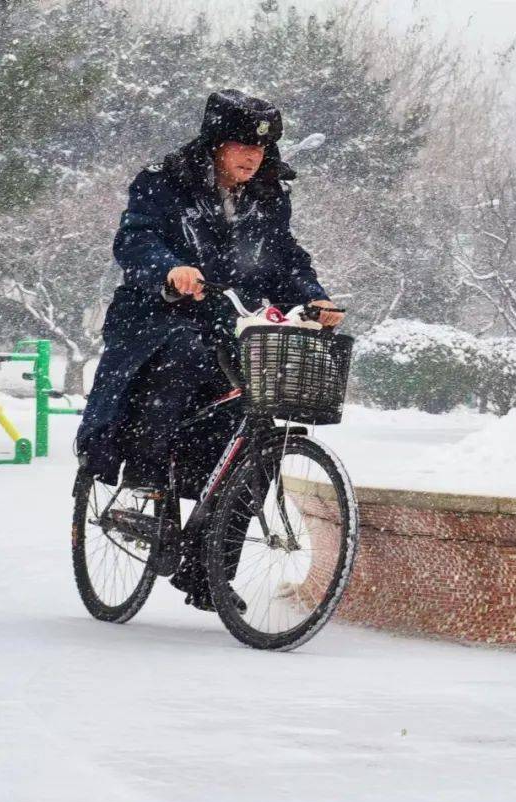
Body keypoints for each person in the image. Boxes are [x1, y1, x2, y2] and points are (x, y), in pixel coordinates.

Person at [76, 89, 343, 610]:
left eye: (262, 149)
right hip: (155, 317)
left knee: (256, 418)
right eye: (243, 145)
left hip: (226, 320)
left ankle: (209, 571)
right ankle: (148, 473)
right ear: (216, 144)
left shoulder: (267, 195)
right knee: (182, 354)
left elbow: (284, 256)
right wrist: (170, 271)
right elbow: (136, 240)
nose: (253, 157)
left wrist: (313, 295)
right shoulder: (163, 181)